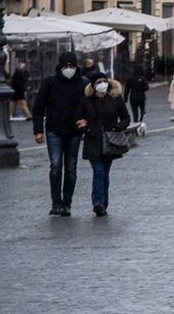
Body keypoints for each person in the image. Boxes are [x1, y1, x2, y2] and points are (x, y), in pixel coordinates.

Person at [32, 51, 89, 216]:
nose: (68, 69)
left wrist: (86, 122)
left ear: (76, 66)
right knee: (56, 166)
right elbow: (39, 106)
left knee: (71, 168)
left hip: (74, 131)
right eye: (66, 66)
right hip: (54, 129)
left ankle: (67, 203)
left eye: (71, 66)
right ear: (60, 66)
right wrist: (38, 130)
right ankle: (56, 202)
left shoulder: (83, 83)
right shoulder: (50, 83)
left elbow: (90, 106)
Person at [78, 73, 130, 217]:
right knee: (98, 171)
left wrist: (117, 127)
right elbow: (78, 119)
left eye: (104, 81)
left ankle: (103, 203)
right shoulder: (86, 101)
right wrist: (83, 126)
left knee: (105, 173)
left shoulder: (115, 99)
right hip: (93, 140)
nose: (102, 84)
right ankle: (98, 203)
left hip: (109, 141)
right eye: (99, 82)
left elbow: (126, 118)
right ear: (93, 85)